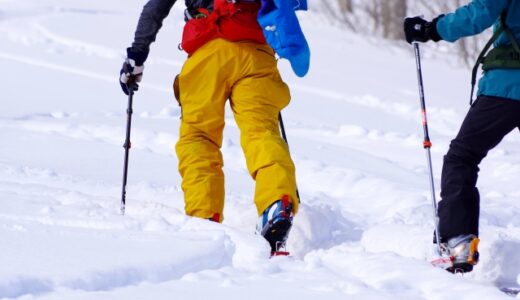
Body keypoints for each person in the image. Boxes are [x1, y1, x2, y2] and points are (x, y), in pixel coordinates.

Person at [119, 0, 302, 254]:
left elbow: (155, 8)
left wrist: (136, 56)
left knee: (199, 136)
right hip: (256, 51)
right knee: (261, 131)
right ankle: (276, 202)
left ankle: (204, 216)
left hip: (208, 49)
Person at [404, 0, 520, 272]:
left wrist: (432, 29)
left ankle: (459, 242)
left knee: (462, 157)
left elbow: (480, 13)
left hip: (507, 87)